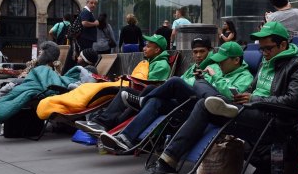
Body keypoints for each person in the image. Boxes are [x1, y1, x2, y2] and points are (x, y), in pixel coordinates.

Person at [134, 21, 298, 174]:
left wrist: (254, 98)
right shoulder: (267, 63)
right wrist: (241, 95)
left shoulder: (296, 66)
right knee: (200, 86)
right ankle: (168, 162)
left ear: (283, 44)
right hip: (247, 110)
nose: (264, 53)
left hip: (271, 118)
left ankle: (168, 161)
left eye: (268, 48)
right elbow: (250, 88)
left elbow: (293, 101)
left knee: (204, 104)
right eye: (261, 49)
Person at [99, 41, 254, 151]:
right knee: (156, 100)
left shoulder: (245, 77)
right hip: (192, 102)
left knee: (175, 82)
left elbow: (230, 96)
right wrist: (201, 77)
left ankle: (141, 101)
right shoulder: (215, 67)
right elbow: (193, 81)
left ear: (236, 60)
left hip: (209, 108)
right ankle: (126, 138)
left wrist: (214, 77)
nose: (219, 64)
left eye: (223, 60)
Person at [79, 36, 219, 136]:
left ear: (210, 51)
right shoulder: (193, 67)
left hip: (192, 104)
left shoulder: (212, 67)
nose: (198, 55)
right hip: (174, 98)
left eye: (202, 51)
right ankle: (108, 126)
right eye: (195, 52)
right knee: (141, 92)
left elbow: (204, 87)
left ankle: (132, 107)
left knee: (162, 85)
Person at [74, 34, 170, 134]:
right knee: (113, 91)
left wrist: (129, 80)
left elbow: (150, 86)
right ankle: (100, 123)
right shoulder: (149, 62)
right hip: (140, 92)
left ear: (157, 50)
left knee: (124, 91)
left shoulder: (161, 65)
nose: (144, 48)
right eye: (145, 45)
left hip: (147, 96)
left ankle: (101, 123)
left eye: (148, 46)